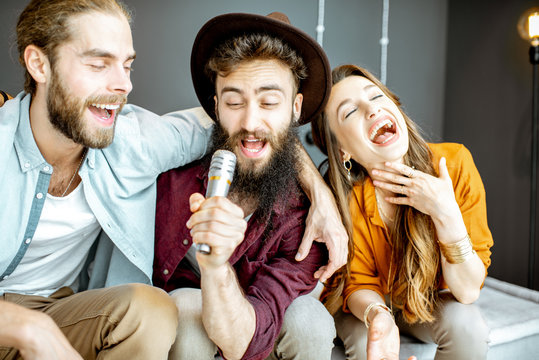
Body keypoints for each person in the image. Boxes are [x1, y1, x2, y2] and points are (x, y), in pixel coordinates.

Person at [0, 0, 347, 358]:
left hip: (68, 311)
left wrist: (319, 192)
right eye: (98, 64)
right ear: (39, 64)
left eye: (127, 65)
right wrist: (30, 329)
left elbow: (255, 133)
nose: (124, 85)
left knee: (151, 310)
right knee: (177, 306)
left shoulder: (133, 140)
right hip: (15, 322)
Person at [154, 12, 337, 360]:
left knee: (310, 320)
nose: (250, 123)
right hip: (188, 333)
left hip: (259, 329)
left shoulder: (307, 221)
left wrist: (217, 265)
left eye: (269, 103)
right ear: (216, 108)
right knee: (187, 312)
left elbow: (243, 343)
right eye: (234, 102)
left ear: (295, 108)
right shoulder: (171, 180)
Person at [311, 64, 494, 360]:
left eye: (376, 96)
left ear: (394, 106)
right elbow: (357, 284)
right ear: (343, 150)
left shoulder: (455, 164)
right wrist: (378, 315)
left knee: (468, 326)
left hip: (423, 300)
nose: (371, 110)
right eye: (350, 112)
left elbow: (468, 292)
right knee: (364, 336)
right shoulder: (345, 198)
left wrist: (444, 211)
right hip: (362, 305)